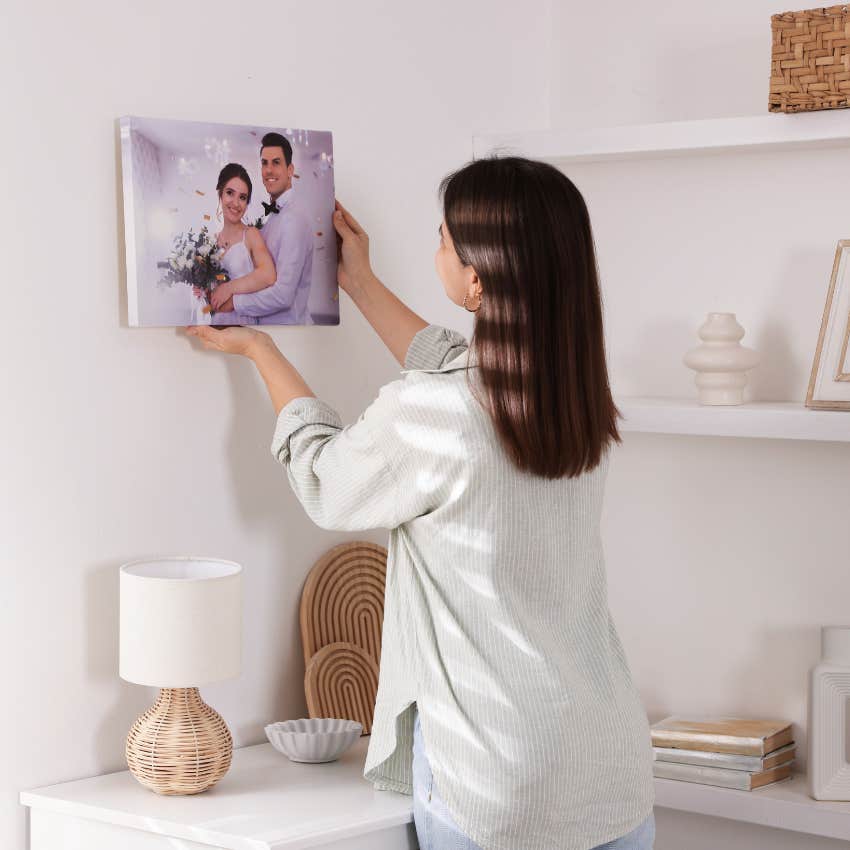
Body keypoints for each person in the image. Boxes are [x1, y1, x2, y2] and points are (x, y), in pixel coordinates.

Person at [184, 157, 656, 850]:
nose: (435, 251)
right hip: (609, 773)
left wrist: (261, 351)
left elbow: (326, 478)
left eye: (442, 240)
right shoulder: (574, 399)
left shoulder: (436, 413)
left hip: (497, 778)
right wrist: (362, 283)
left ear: (477, 277)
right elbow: (451, 361)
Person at [215, 132, 314, 325]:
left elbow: (283, 295)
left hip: (290, 328)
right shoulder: (271, 220)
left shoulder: (294, 219)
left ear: (290, 169)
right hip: (263, 328)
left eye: (276, 163)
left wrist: (233, 301)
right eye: (264, 163)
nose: (269, 170)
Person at [193, 163, 276, 326]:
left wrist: (229, 288)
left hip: (244, 322)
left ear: (247, 203)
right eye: (230, 193)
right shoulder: (211, 242)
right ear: (220, 195)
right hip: (217, 322)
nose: (236, 203)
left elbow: (268, 275)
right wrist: (203, 291)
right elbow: (212, 296)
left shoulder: (251, 234)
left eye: (242, 197)